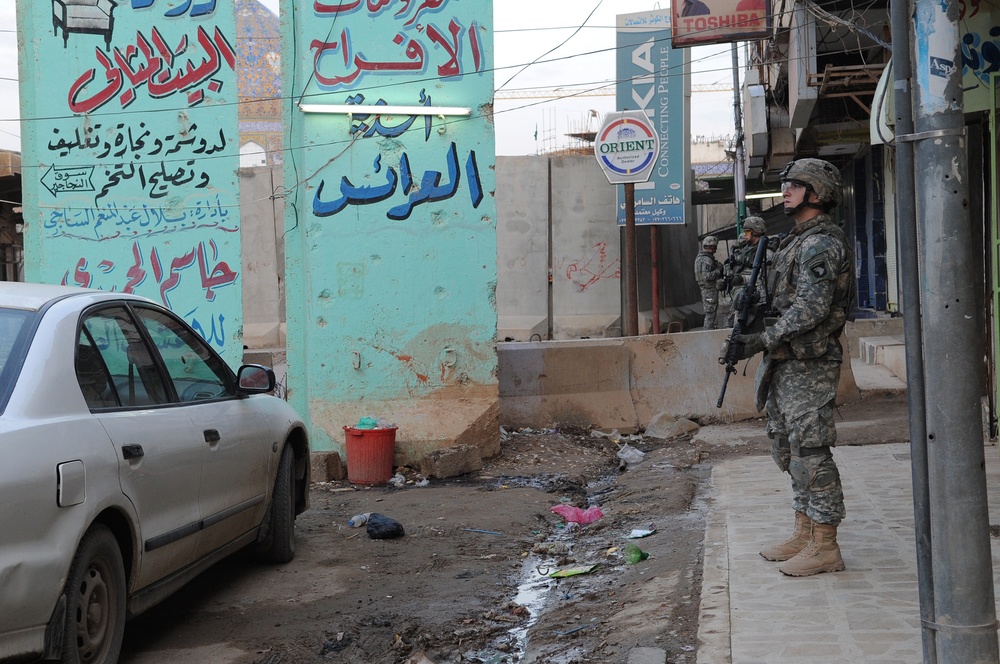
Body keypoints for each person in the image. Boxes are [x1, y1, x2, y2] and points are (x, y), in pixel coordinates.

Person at [725, 158, 856, 576]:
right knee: (788, 447)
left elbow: (811, 308)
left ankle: (826, 545)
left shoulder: (820, 244)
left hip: (809, 362)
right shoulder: (797, 240)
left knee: (811, 450)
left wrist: (761, 340)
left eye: (794, 185)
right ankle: (805, 531)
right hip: (788, 359)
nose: (785, 192)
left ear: (816, 192)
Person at [723, 216, 772, 325]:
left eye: (747, 231)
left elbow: (764, 278)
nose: (745, 234)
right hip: (745, 293)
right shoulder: (747, 250)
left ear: (755, 232)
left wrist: (742, 279)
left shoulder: (766, 252)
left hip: (758, 297)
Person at [694, 235, 723, 330]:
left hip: (707, 290)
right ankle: (708, 335)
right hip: (709, 290)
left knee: (711, 314)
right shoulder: (707, 260)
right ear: (712, 246)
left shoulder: (701, 257)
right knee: (710, 315)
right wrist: (718, 270)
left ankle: (710, 332)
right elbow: (707, 276)